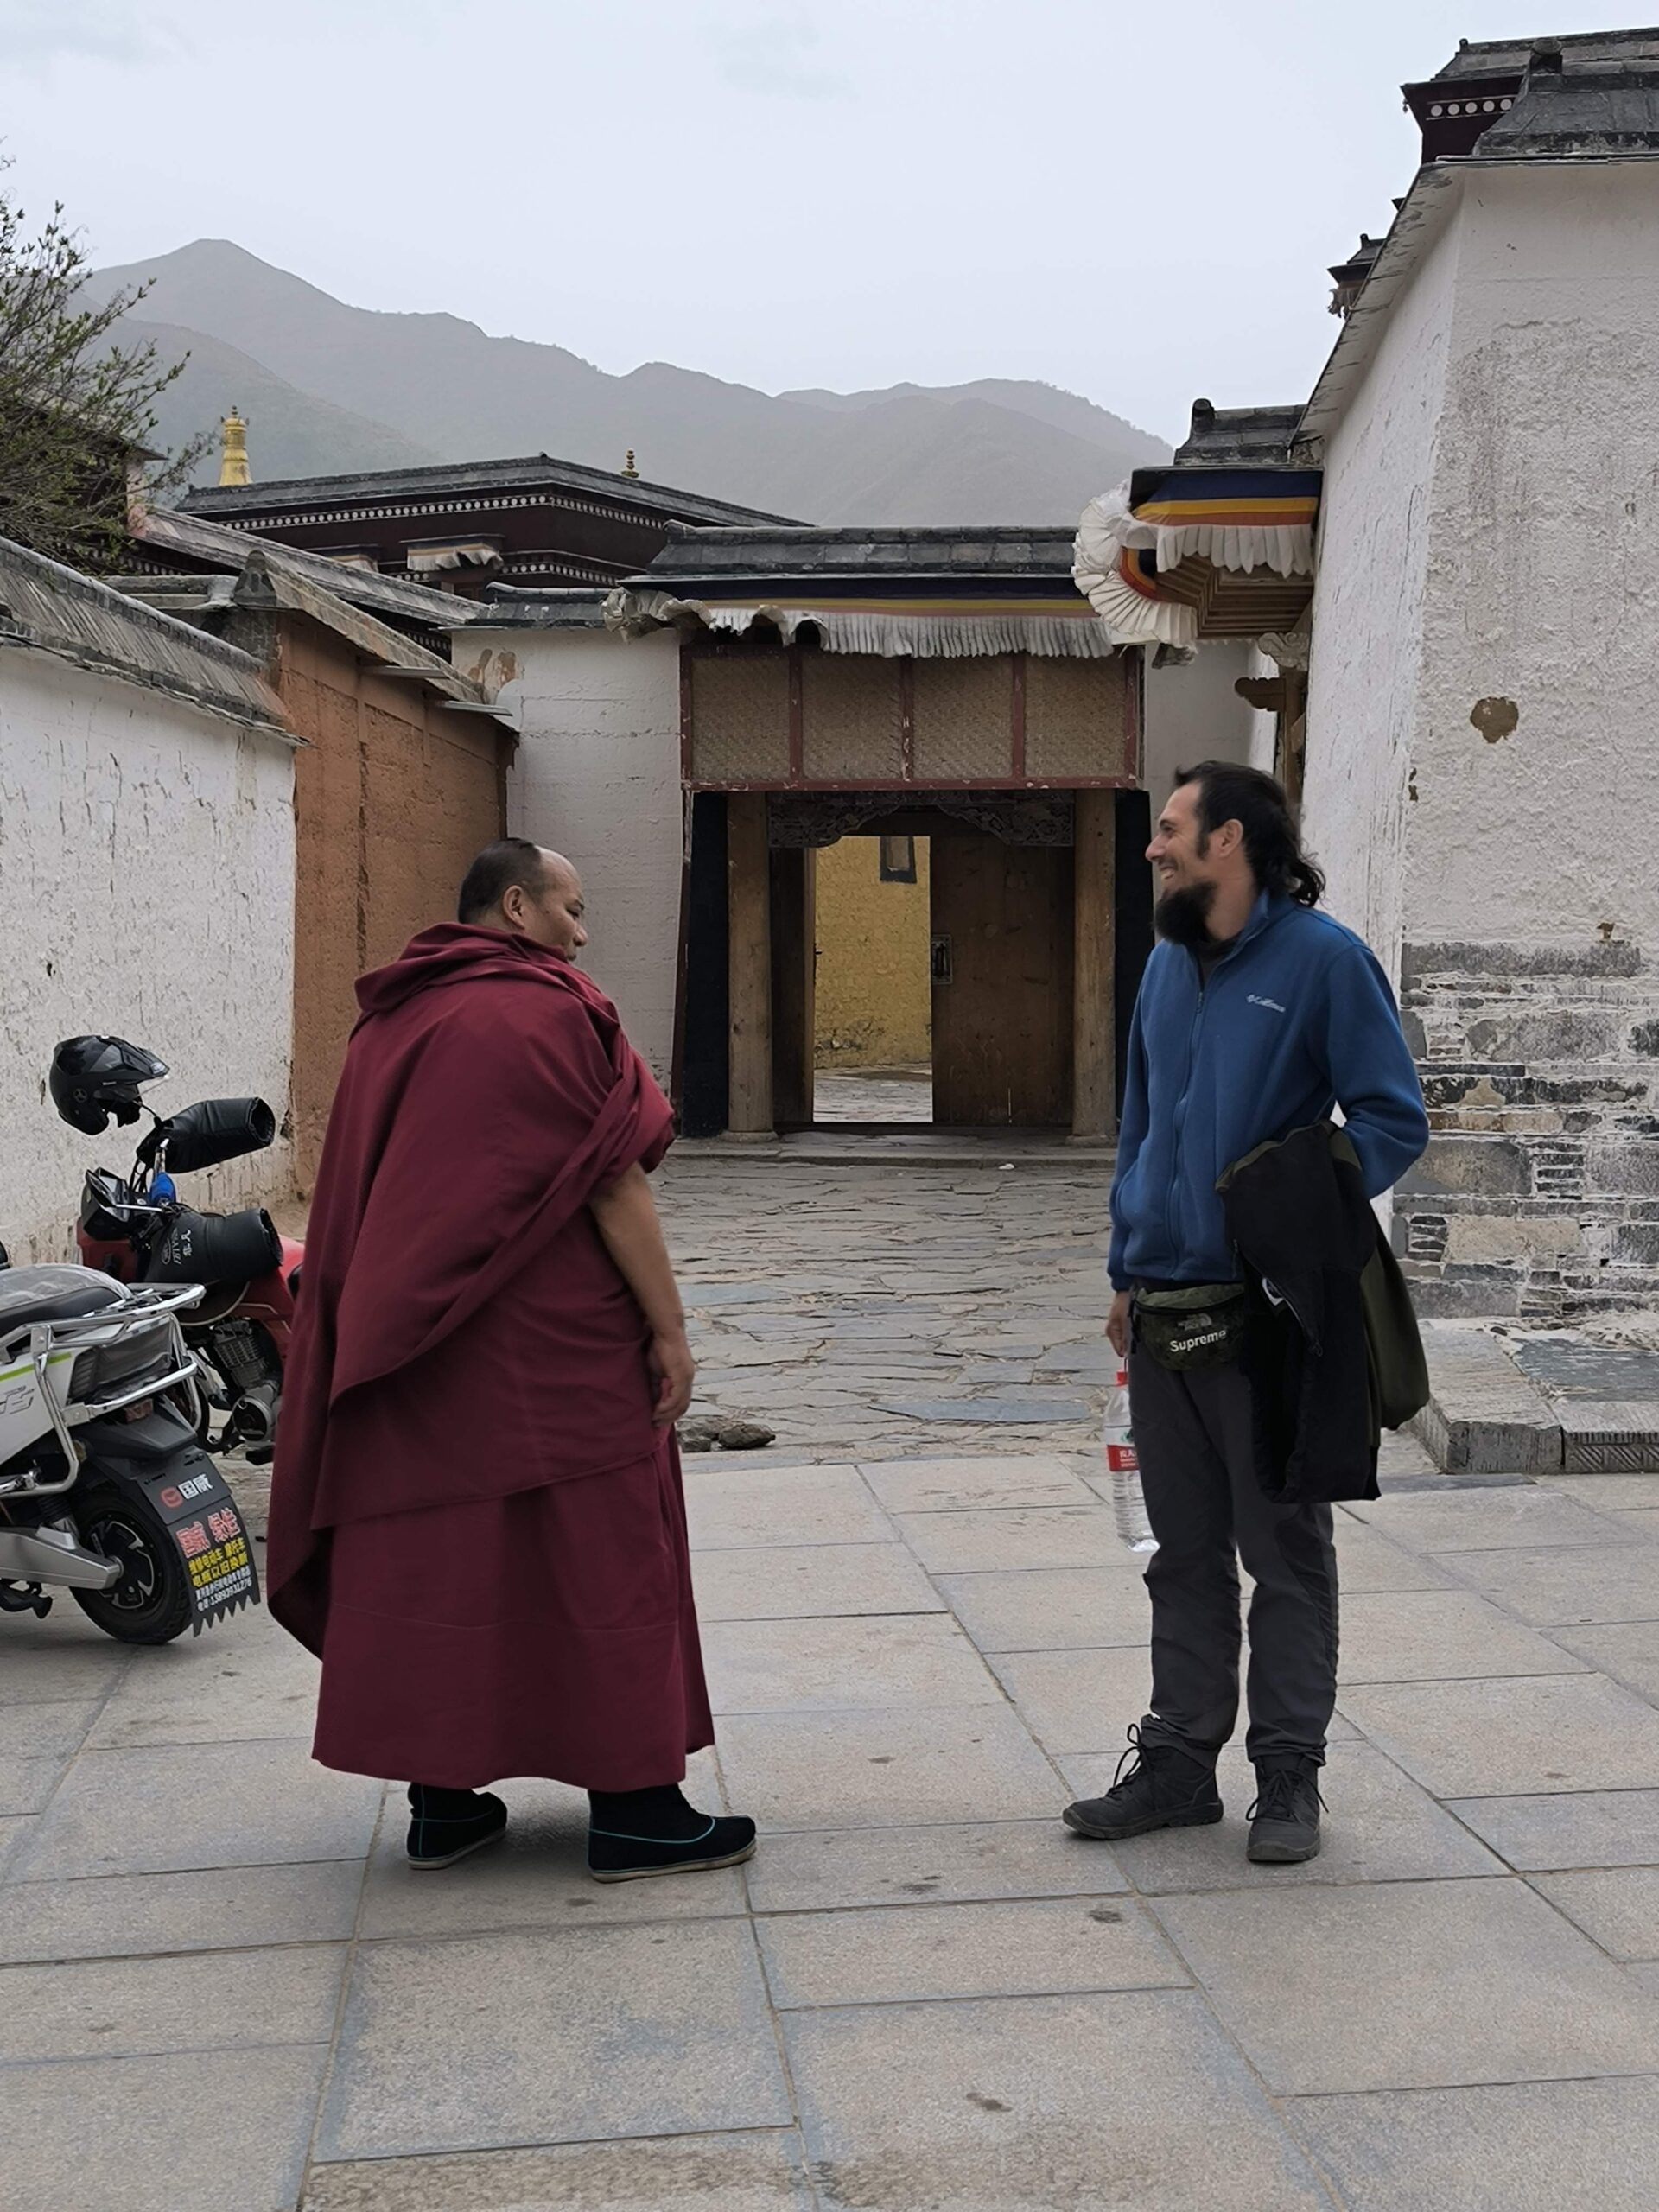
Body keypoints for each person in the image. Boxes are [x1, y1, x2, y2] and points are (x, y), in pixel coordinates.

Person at [267, 838, 754, 1881]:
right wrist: (671, 1330)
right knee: (605, 1550)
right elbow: (612, 1182)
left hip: (411, 1348)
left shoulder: (391, 1020)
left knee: (442, 1557)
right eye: (572, 910)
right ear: (517, 905)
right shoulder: (550, 1010)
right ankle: (635, 1810)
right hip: (553, 1348)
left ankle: (446, 1803)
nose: (582, 934)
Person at [1064, 765, 1428, 1865]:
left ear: (1230, 837)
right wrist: (1128, 1267)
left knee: (1285, 1551)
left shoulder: (1323, 961)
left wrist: (1284, 1206)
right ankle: (1179, 1763)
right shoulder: (1167, 966)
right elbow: (1141, 1124)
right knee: (1178, 1550)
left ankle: (1287, 1774)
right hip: (1164, 1307)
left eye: (1170, 830)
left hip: (1269, 1316)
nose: (1153, 848)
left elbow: (1391, 1118)